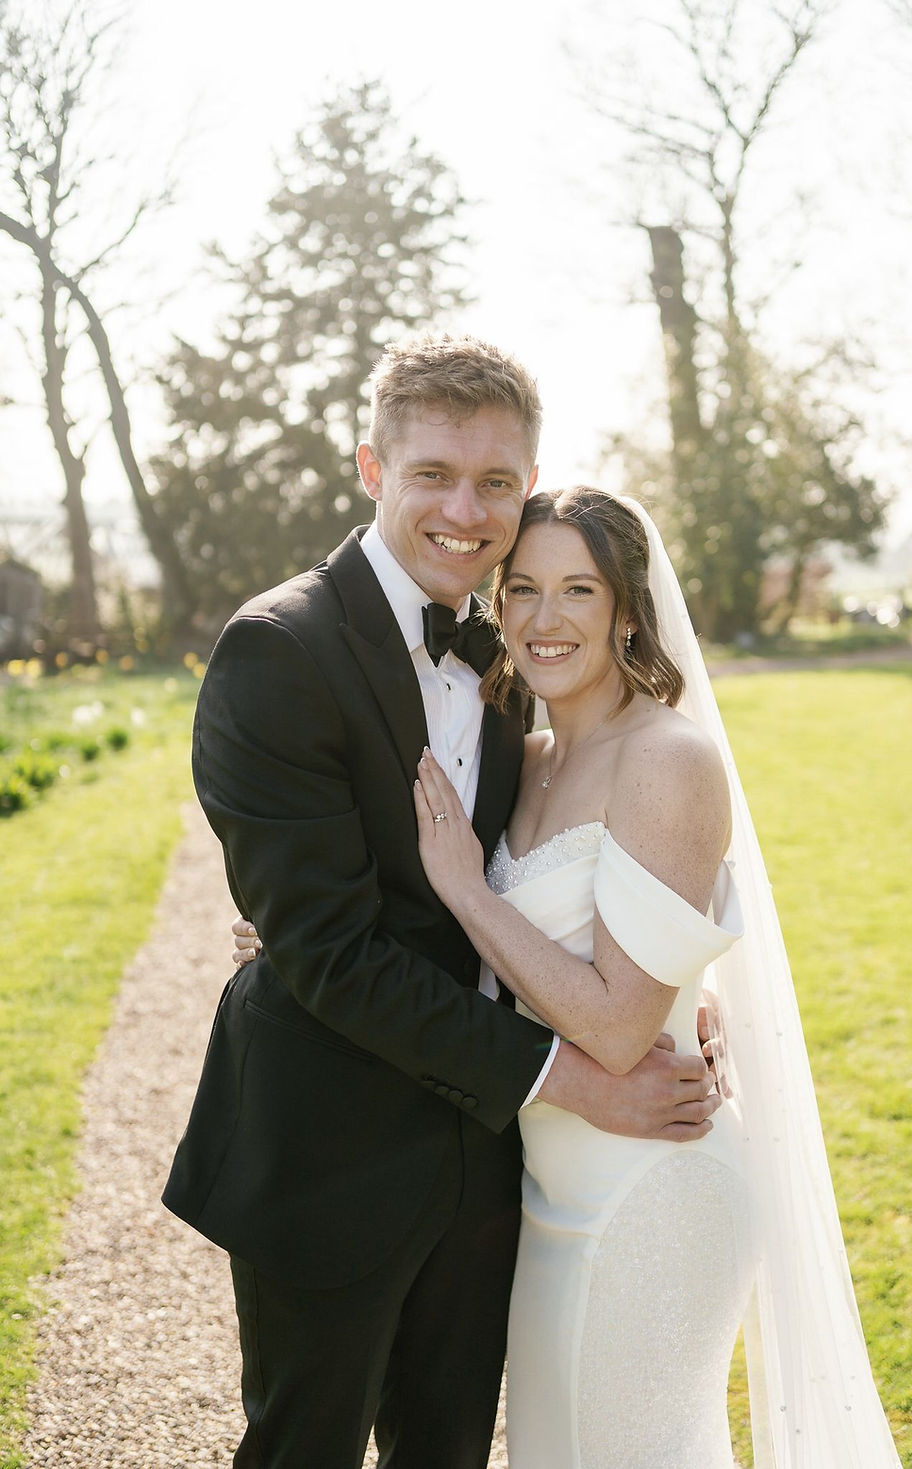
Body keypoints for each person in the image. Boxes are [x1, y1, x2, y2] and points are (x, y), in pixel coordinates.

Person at [232, 481, 905, 1467]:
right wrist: (300, 933)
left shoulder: (666, 756)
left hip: (647, 1186)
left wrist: (471, 890)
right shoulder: (529, 754)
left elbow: (622, 1027)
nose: (544, 620)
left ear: (627, 609)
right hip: (547, 1187)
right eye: (524, 589)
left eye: (578, 591)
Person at [162, 336, 720, 1469]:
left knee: (449, 1450)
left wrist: (682, 1003)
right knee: (302, 1448)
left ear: (526, 485)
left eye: (496, 482)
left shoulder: (513, 651)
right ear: (371, 469)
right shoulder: (278, 651)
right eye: (432, 474)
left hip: (487, 1161)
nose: (465, 510)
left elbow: (594, 873)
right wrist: (581, 1077)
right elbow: (330, 952)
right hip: (330, 1143)